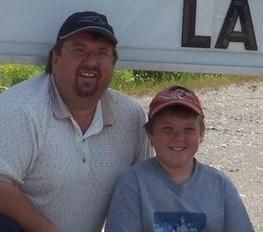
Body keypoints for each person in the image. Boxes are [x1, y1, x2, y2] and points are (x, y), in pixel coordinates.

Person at [0, 11, 151, 232]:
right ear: (55, 58)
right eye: (79, 51)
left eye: (102, 53)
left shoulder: (131, 116)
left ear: (114, 62)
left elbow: (142, 191)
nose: (90, 62)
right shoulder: (19, 108)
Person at [105, 85, 254, 232]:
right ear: (150, 133)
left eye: (189, 129)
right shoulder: (133, 184)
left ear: (201, 134)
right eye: (167, 128)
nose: (178, 137)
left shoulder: (221, 186)